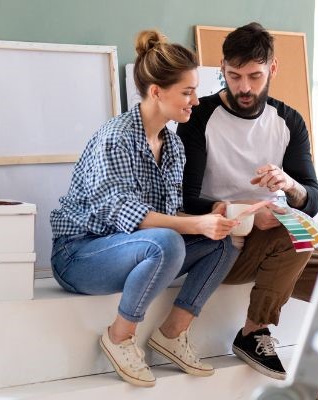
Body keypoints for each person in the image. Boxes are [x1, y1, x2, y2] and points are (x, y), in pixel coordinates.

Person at [177, 22, 318, 393]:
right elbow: (185, 199)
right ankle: (254, 331)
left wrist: (290, 184)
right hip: (224, 247)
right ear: (221, 68)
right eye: (234, 76)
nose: (244, 88)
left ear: (273, 68)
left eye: (254, 76)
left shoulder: (288, 121)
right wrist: (249, 214)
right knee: (288, 227)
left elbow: (313, 199)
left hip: (281, 248)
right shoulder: (200, 118)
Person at [49, 29, 240, 388]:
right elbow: (131, 218)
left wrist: (210, 222)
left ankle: (172, 333)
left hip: (134, 251)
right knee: (167, 242)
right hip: (80, 256)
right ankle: (119, 337)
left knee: (222, 244)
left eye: (194, 91)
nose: (195, 101)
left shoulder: (174, 146)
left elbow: (167, 214)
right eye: (187, 92)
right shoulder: (117, 139)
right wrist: (195, 224)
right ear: (156, 91)